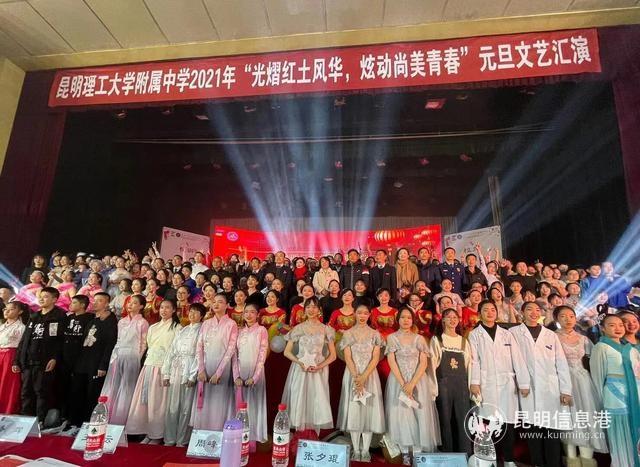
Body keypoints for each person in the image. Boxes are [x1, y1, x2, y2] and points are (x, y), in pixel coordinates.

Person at [510, 301, 572, 467]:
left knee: (552, 430)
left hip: (551, 388)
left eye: (537, 310)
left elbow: (561, 363)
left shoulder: (550, 335)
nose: (534, 313)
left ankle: (554, 463)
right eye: (529, 309)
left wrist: (566, 390)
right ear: (522, 312)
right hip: (527, 388)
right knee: (533, 431)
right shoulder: (513, 333)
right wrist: (520, 383)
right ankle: (537, 463)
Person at [468, 300, 530, 466]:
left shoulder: (506, 334)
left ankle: (509, 460)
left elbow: (517, 358)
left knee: (507, 423)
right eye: (485, 310)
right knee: (488, 422)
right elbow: (474, 361)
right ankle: (490, 460)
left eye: (492, 310)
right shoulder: (475, 335)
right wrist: (475, 382)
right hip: (486, 383)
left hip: (507, 384)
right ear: (479, 314)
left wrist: (523, 383)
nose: (489, 312)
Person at [384, 307, 440, 464]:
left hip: (418, 381)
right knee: (401, 416)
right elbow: (391, 361)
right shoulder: (392, 338)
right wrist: (404, 384)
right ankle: (404, 453)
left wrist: (412, 383)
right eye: (403, 317)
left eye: (409, 317)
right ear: (398, 320)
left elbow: (423, 363)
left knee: (419, 415)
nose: (406, 320)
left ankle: (417, 453)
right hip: (398, 381)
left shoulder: (419, 339)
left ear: (413, 320)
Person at [554, 306, 608, 466]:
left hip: (583, 381)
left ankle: (587, 460)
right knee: (568, 418)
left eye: (571, 316)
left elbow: (594, 359)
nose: (568, 319)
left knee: (587, 416)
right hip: (562, 381)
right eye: (563, 316)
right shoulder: (552, 337)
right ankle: (571, 459)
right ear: (556, 319)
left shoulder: (583, 339)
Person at [62, 292, 118, 437]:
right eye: (95, 300)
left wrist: (103, 365)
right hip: (82, 362)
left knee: (92, 395)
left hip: (96, 363)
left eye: (100, 300)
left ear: (107, 304)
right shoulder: (92, 321)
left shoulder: (111, 321)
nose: (95, 303)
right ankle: (74, 422)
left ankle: (88, 424)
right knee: (76, 392)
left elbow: (110, 345)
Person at [590, 314, 640, 467]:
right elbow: (597, 378)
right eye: (612, 325)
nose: (618, 328)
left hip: (636, 395)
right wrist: (599, 405)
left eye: (620, 325)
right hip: (615, 398)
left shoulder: (631, 349)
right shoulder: (601, 347)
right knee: (620, 435)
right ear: (603, 329)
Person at [337, 304, 385, 462]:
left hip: (370, 376)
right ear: (354, 314)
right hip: (352, 375)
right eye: (359, 313)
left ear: (370, 315)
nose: (362, 316)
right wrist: (357, 377)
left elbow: (376, 357)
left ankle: (365, 450)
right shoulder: (348, 334)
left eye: (365, 313)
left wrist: (364, 377)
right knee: (355, 410)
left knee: (369, 411)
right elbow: (348, 357)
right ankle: (356, 449)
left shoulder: (375, 334)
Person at [126, 300, 179, 443]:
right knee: (146, 400)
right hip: (149, 365)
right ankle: (146, 432)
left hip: (164, 368)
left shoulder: (177, 328)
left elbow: (175, 350)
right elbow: (149, 345)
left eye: (167, 308)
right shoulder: (153, 327)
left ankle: (157, 434)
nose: (164, 310)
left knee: (159, 402)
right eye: (161, 308)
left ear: (174, 310)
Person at [282, 296, 336, 434]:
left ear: (319, 310)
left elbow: (333, 355)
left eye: (314, 307)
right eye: (308, 307)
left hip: (319, 370)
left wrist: (320, 366)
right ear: (304, 310)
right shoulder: (298, 328)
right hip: (301, 369)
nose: (311, 310)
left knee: (317, 400)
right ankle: (299, 436)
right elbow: (287, 352)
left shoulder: (326, 329)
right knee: (299, 399)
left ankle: (313, 437)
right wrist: (299, 362)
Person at [14, 287, 66, 426]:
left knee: (42, 392)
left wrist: (55, 358)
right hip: (28, 361)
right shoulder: (34, 316)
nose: (41, 299)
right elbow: (24, 340)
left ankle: (40, 421)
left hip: (45, 361)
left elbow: (60, 341)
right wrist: (17, 360)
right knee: (26, 392)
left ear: (55, 299)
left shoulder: (60, 316)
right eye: (40, 296)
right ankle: (25, 421)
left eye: (46, 296)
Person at [100, 294, 150, 426]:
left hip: (132, 356)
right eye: (129, 302)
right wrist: (114, 356)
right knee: (113, 385)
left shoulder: (142, 323)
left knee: (127, 387)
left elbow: (143, 344)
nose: (130, 305)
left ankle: (122, 419)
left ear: (141, 306)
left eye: (134, 303)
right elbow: (118, 340)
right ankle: (107, 416)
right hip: (118, 354)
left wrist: (137, 358)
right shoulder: (122, 322)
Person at [192, 294, 238, 431]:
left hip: (222, 368)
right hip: (205, 367)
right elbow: (199, 346)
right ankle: (203, 433)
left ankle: (217, 432)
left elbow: (231, 349)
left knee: (219, 401)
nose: (216, 304)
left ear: (227, 305)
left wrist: (219, 373)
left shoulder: (231, 324)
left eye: (220, 302)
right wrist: (201, 369)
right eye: (214, 302)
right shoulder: (206, 323)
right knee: (205, 400)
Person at [429, 308, 471, 453]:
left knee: (463, 418)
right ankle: (446, 452)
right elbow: (432, 365)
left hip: (461, 385)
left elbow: (468, 365)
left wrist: (470, 387)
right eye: (449, 317)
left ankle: (465, 453)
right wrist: (433, 388)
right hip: (443, 384)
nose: (452, 320)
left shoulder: (464, 341)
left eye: (455, 317)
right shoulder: (437, 340)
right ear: (443, 320)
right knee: (445, 418)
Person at [162, 303, 204, 447]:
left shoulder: (201, 331)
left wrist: (193, 375)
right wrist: (166, 373)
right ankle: (169, 438)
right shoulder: (182, 330)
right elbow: (171, 351)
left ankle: (182, 440)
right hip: (176, 368)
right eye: (191, 311)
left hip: (189, 367)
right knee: (172, 406)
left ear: (202, 316)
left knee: (186, 407)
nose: (192, 314)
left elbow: (200, 354)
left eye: (196, 312)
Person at [232, 303, 269, 445]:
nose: (248, 315)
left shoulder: (261, 330)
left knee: (253, 405)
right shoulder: (239, 331)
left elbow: (262, 354)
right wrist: (236, 376)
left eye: (252, 312)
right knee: (239, 406)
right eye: (246, 312)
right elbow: (234, 355)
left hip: (255, 373)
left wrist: (255, 377)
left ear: (257, 314)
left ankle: (252, 438)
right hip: (240, 373)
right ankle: (238, 437)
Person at [59, 294, 95, 429]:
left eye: (74, 302)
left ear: (82, 305)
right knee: (64, 389)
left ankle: (77, 420)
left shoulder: (89, 319)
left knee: (78, 390)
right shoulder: (68, 318)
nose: (71, 305)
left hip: (80, 360)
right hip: (65, 359)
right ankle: (64, 417)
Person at [1, 301, 28, 414]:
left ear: (20, 312)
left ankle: (8, 409)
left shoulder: (21, 327)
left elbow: (21, 347)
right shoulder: (2, 326)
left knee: (8, 384)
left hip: (10, 356)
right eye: (5, 309)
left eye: (11, 309)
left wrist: (16, 361)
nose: (7, 311)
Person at [370, 288, 398, 382]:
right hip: (378, 342)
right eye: (381, 295)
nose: (383, 297)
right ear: (377, 297)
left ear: (389, 297)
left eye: (386, 295)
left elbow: (398, 328)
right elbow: (372, 328)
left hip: (392, 342)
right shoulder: (373, 311)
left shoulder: (395, 312)